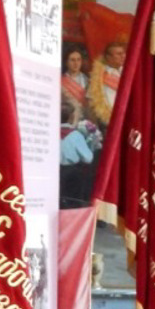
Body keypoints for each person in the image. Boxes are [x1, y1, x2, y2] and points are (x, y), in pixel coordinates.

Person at [59, 43, 98, 208]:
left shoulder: (90, 81)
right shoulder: (60, 81)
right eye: (72, 60)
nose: (75, 63)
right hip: (68, 128)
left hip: (88, 128)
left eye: (78, 60)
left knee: (89, 168)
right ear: (66, 62)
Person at [86, 40, 125, 127]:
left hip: (127, 122)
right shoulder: (98, 75)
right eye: (119, 54)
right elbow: (90, 102)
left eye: (123, 53)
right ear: (108, 57)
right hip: (106, 124)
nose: (123, 56)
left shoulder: (129, 74)